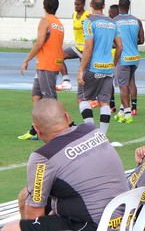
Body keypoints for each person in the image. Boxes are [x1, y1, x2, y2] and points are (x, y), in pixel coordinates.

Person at [3, 98, 129, 231]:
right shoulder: (92, 130)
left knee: (11, 228)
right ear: (67, 117)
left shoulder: (42, 158)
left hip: (93, 226)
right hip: (124, 219)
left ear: (37, 130)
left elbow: (34, 215)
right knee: (25, 196)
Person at [18, 0, 64, 140]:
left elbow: (39, 43)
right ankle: (35, 129)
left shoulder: (45, 21)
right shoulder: (59, 23)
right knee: (36, 96)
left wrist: (26, 60)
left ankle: (61, 131)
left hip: (47, 65)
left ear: (44, 6)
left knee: (49, 99)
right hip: (49, 63)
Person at [77, 0, 122, 135]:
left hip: (93, 66)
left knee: (82, 98)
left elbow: (88, 47)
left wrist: (80, 69)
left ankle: (91, 134)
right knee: (104, 103)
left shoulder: (89, 22)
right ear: (104, 6)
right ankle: (102, 136)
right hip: (108, 68)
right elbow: (120, 47)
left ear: (90, 4)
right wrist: (113, 64)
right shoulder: (113, 23)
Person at [114, 0, 145, 123]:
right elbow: (142, 40)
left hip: (123, 57)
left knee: (123, 86)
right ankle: (121, 111)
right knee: (128, 83)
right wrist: (132, 41)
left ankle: (127, 113)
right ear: (129, 6)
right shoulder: (137, 21)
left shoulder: (114, 21)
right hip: (135, 58)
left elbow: (113, 41)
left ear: (118, 6)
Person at [56, 0, 90, 91]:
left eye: (78, 4)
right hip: (76, 48)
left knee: (85, 76)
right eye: (75, 4)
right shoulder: (74, 15)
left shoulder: (88, 16)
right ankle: (66, 81)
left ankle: (93, 97)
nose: (76, 6)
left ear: (83, 4)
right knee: (59, 57)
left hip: (85, 50)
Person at [109, 4, 120, 112]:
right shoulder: (120, 24)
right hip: (122, 53)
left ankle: (111, 104)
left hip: (112, 52)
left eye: (109, 13)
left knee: (108, 80)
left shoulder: (111, 24)